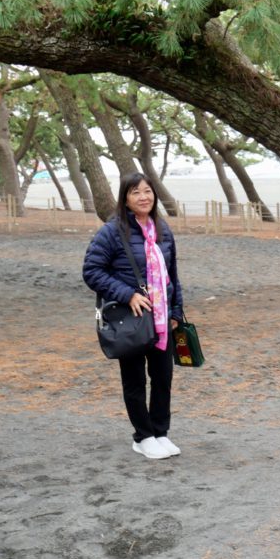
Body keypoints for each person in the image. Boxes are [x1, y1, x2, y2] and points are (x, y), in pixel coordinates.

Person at [83, 173, 185, 460]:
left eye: (148, 191)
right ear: (125, 198)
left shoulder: (162, 229)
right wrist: (127, 294)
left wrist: (177, 310)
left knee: (163, 377)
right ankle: (143, 436)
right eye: (136, 192)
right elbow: (92, 271)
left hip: (163, 317)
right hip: (131, 318)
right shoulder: (112, 231)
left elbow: (172, 275)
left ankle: (161, 431)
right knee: (135, 380)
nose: (143, 196)